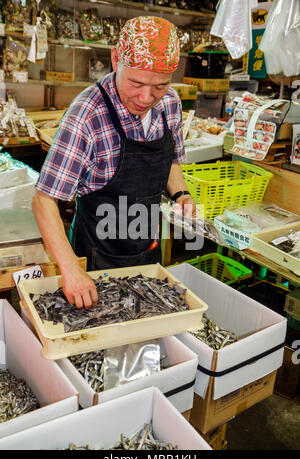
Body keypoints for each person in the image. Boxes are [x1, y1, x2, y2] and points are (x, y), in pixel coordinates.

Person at [32, 16, 196, 309]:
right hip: (95, 259)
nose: (147, 97)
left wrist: (181, 194)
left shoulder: (170, 103)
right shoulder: (86, 114)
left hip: (147, 251)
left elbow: (170, 161)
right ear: (115, 59)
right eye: (136, 83)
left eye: (160, 85)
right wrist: (71, 269)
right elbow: (44, 200)